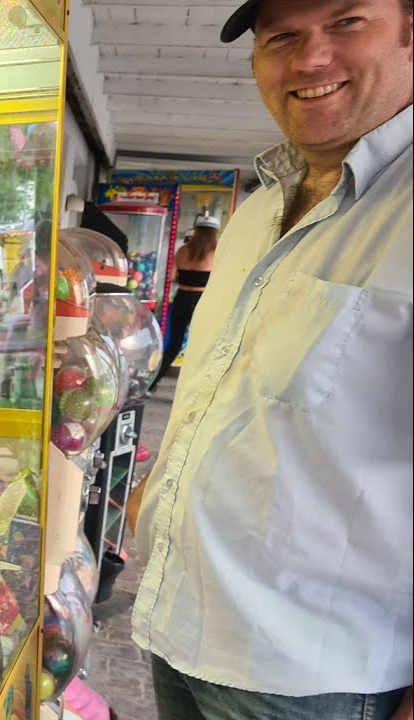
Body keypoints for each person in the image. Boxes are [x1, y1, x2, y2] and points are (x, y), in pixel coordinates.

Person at [131, 1, 412, 719]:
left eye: (346, 22)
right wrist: (164, 488)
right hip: (181, 626)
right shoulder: (258, 209)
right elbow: (228, 388)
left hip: (314, 677)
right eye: (281, 36)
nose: (309, 59)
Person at [146, 217, 219, 393]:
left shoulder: (182, 251)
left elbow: (171, 277)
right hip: (202, 301)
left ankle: (152, 383)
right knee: (202, 345)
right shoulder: (216, 253)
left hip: (182, 299)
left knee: (174, 345)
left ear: (196, 231)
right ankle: (194, 389)